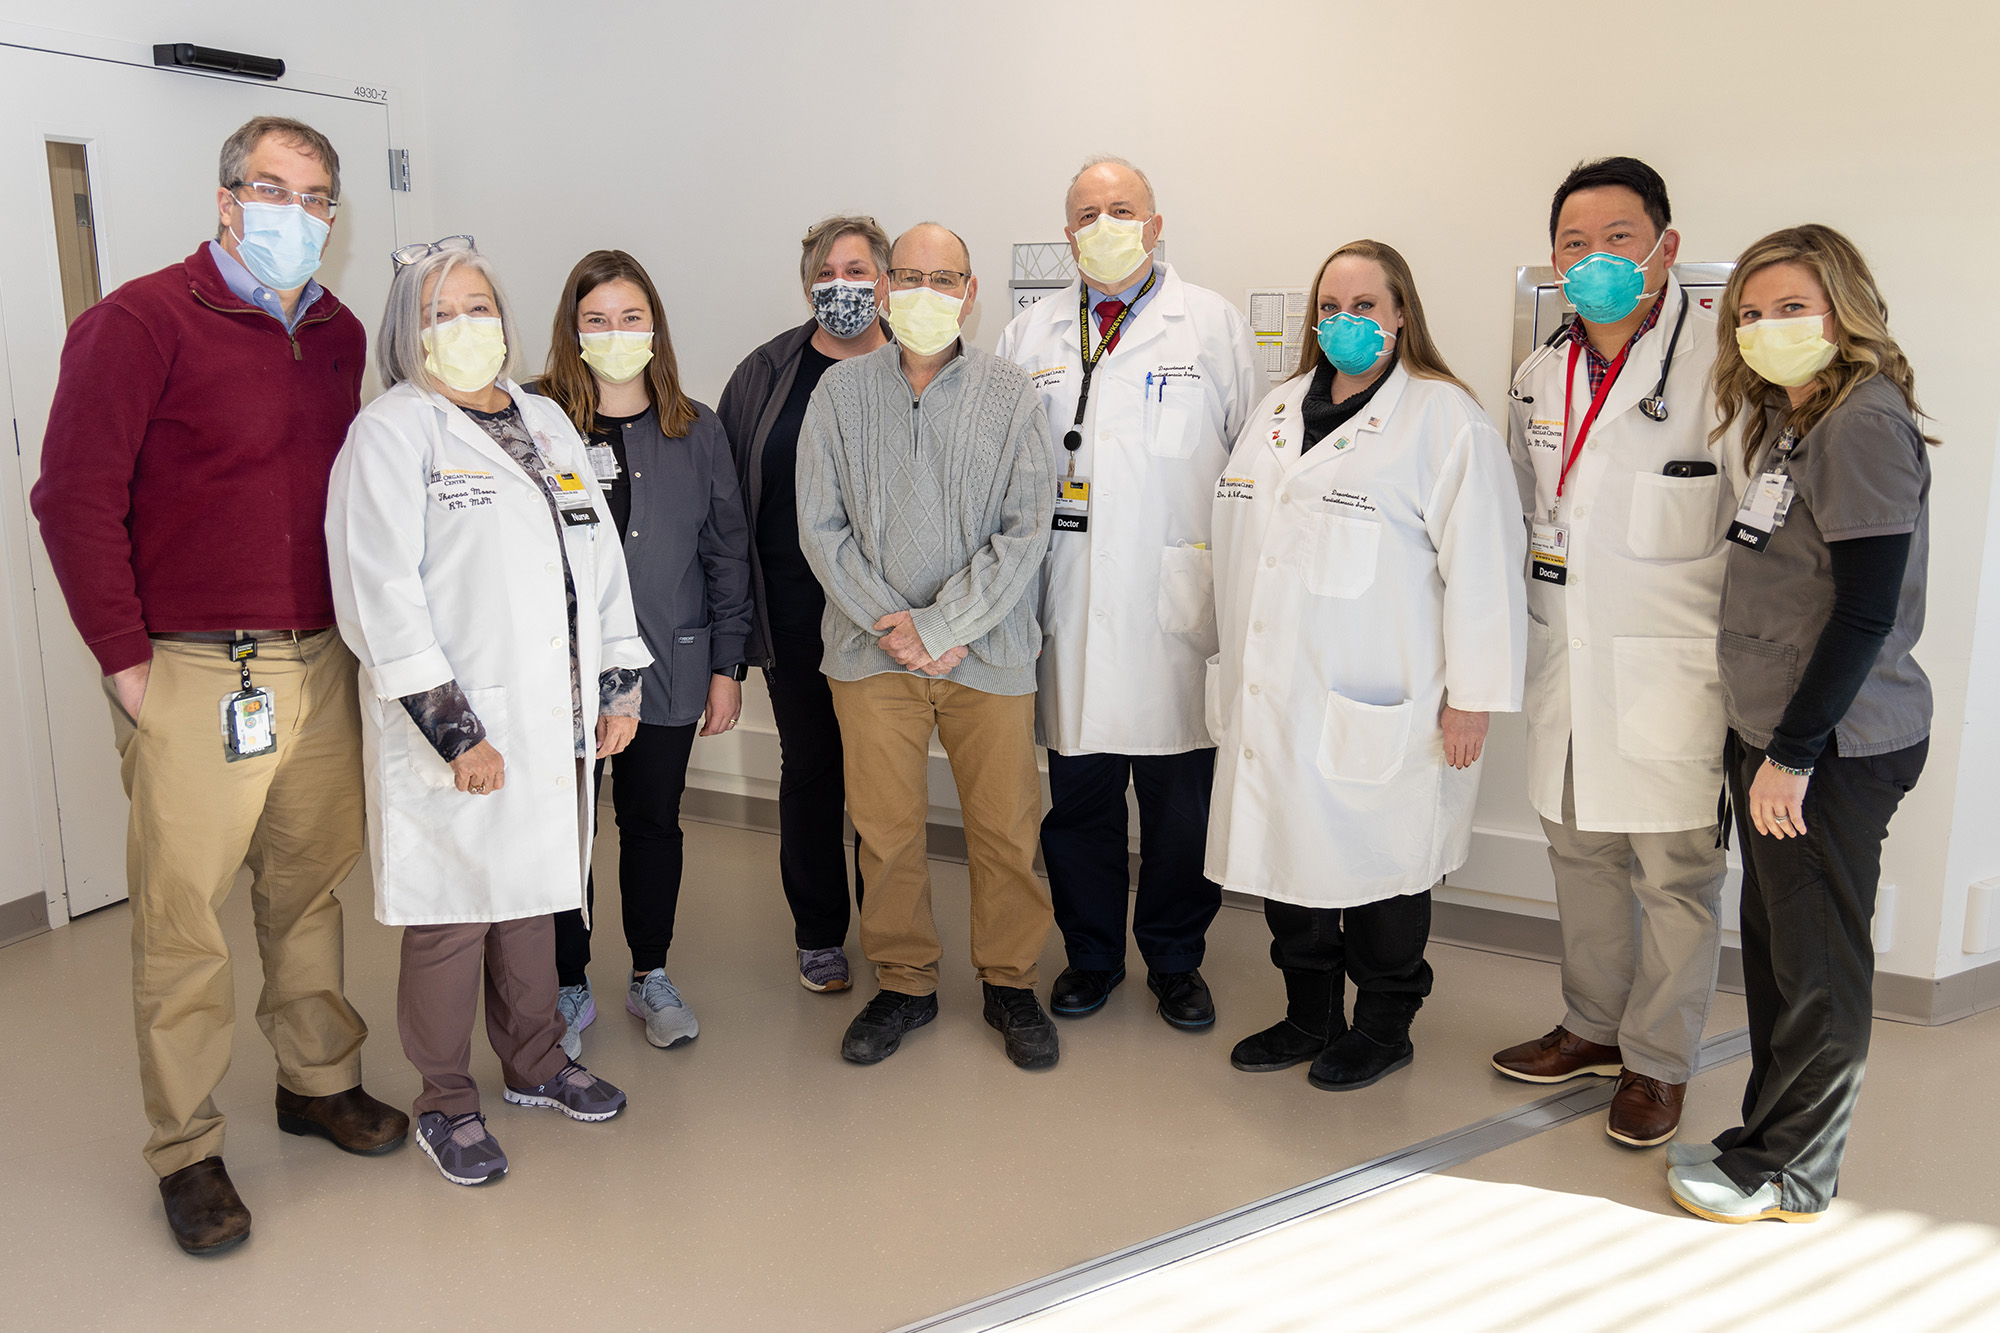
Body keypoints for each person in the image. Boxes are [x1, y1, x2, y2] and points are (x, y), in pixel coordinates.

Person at [29, 116, 404, 1256]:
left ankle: (315, 1078)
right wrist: (128, 663)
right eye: (273, 187)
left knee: (307, 888)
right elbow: (73, 497)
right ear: (229, 197)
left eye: (318, 196)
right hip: (193, 666)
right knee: (183, 916)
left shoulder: (338, 334)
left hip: (320, 657)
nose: (297, 211)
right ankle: (186, 1147)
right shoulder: (139, 320)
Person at [325, 238, 647, 1187]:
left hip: (552, 712)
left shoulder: (547, 420)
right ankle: (444, 1099)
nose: (468, 326)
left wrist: (620, 682)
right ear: (408, 332)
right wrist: (455, 730)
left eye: (480, 305)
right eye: (442, 311)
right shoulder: (392, 433)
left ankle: (538, 1061)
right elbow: (378, 597)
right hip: (456, 724)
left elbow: (599, 561)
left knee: (533, 901)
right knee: (453, 916)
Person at [1210, 241, 1526, 1092]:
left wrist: (1474, 698)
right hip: (1275, 688)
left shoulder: (1443, 419)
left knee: (1383, 872)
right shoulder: (1278, 408)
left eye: (1363, 306)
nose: (1344, 322)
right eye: (1330, 307)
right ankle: (1308, 1014)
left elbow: (1488, 567)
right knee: (1288, 859)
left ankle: (1385, 1025)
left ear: (1400, 315)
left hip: (1386, 694)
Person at [1665, 225, 1933, 1224]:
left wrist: (1789, 754)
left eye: (1791, 308)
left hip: (1830, 746)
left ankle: (1793, 1172)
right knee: (1782, 958)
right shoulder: (1795, 419)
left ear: (1842, 311)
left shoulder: (1860, 421)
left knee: (1815, 965)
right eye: (1748, 311)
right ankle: (1757, 1143)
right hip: (1783, 735)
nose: (1766, 327)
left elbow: (1863, 610)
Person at [1489, 157, 1740, 1149]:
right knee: (1577, 852)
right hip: (1566, 658)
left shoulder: (1722, 366)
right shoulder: (1536, 373)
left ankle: (1657, 1061)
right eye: (1572, 244)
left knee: (1675, 877)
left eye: (1617, 240)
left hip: (1676, 672)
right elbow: (1522, 512)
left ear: (1665, 248)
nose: (1593, 260)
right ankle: (1591, 1026)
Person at [993, 156, 1261, 1031]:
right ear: (1064, 230)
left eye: (1121, 209)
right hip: (1065, 606)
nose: (1103, 225)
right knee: (1078, 805)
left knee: (1181, 809)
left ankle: (1178, 958)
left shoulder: (1212, 327)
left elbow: (1250, 478)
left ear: (1156, 223)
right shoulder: (1027, 336)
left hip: (1180, 610)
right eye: (1085, 213)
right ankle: (1093, 954)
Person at [796, 223, 1060, 1069]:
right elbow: (820, 528)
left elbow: (1026, 532)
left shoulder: (1014, 394)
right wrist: (901, 629)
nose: (923, 292)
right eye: (906, 275)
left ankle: (1010, 980)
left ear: (971, 291)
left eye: (943, 277)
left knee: (1007, 827)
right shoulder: (837, 395)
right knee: (885, 828)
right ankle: (905, 981)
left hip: (989, 652)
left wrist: (943, 627)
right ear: (881, 287)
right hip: (872, 653)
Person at [534, 250, 752, 1057]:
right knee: (568, 827)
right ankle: (565, 979)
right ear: (572, 329)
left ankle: (650, 973)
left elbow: (728, 552)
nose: (615, 333)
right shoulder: (535, 418)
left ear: (654, 328)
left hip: (669, 659)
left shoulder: (694, 427)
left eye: (630, 318)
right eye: (597, 319)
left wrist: (728, 666)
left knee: (652, 822)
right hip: (559, 669)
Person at [718, 216, 892, 995]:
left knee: (887, 782)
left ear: (885, 279)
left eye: (857, 269)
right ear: (805, 283)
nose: (842, 285)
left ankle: (895, 935)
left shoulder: (917, 362)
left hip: (892, 614)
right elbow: (727, 502)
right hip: (794, 610)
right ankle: (820, 931)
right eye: (826, 272)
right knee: (814, 770)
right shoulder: (765, 372)